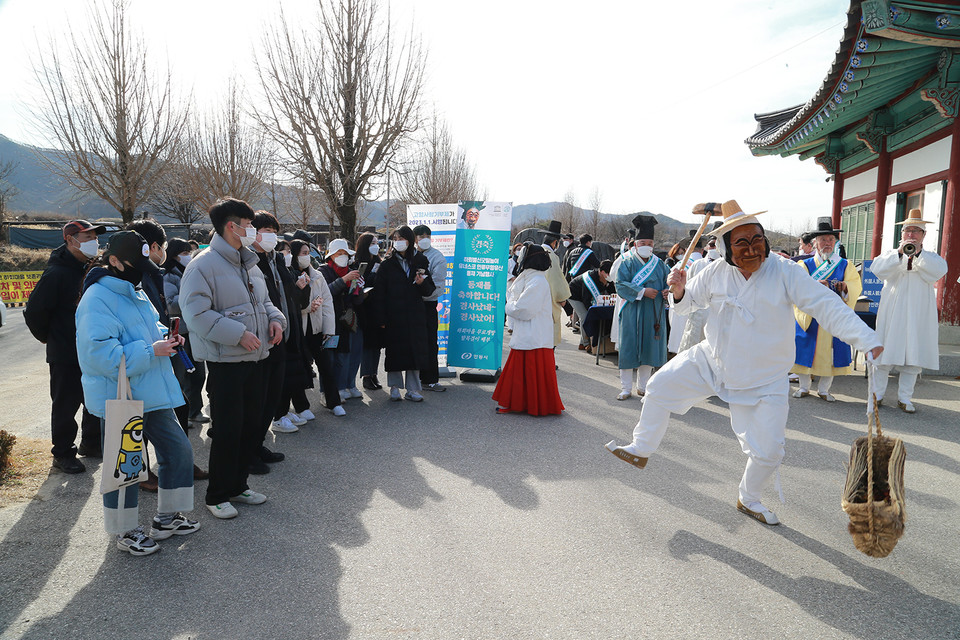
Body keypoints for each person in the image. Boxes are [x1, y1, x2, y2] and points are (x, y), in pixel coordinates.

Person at [606, 200, 883, 526]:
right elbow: (684, 306)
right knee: (658, 387)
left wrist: (867, 340)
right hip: (715, 359)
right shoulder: (714, 272)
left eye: (756, 241)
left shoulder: (785, 271)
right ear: (725, 248)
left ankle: (748, 497)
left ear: (765, 241)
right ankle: (641, 447)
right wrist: (678, 291)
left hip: (766, 376)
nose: (751, 250)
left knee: (769, 452)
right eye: (741, 244)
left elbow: (826, 305)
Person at [76, 230, 199, 556]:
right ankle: (126, 531)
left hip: (150, 391)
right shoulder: (97, 298)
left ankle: (167, 517)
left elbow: (146, 328)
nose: (143, 270)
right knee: (125, 466)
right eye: (137, 263)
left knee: (180, 452)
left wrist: (166, 337)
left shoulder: (134, 288)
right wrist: (151, 350)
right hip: (121, 397)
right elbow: (98, 356)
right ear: (114, 261)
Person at [179, 198, 285, 520]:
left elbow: (265, 303)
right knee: (227, 430)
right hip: (226, 363)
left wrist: (276, 320)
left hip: (257, 358)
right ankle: (218, 494)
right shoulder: (203, 265)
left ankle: (239, 485)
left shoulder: (248, 263)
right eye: (249, 225)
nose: (252, 230)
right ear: (232, 226)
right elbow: (195, 314)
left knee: (251, 427)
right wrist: (237, 334)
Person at [24, 219, 106, 473]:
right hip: (65, 351)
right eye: (87, 237)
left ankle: (91, 443)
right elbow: (35, 311)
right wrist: (48, 338)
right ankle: (62, 453)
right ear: (70, 240)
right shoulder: (57, 273)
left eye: (95, 237)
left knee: (93, 399)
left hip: (90, 349)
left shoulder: (90, 268)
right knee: (65, 404)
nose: (94, 242)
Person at [871, 208, 948, 413]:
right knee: (883, 352)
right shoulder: (889, 254)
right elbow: (877, 269)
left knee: (913, 355)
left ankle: (905, 398)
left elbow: (940, 271)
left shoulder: (931, 257)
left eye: (916, 231)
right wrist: (899, 253)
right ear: (901, 234)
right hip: (892, 312)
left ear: (923, 235)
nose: (911, 235)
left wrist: (918, 254)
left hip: (917, 313)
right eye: (908, 231)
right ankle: (877, 395)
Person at [790, 217, 862, 402]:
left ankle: (824, 390)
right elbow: (797, 288)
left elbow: (855, 286)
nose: (827, 243)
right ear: (815, 243)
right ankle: (804, 387)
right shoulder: (804, 265)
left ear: (836, 242)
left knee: (831, 354)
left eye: (830, 239)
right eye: (823, 240)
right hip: (811, 316)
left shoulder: (845, 265)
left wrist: (844, 286)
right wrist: (815, 285)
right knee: (805, 351)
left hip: (834, 316)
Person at [250, 211, 301, 470]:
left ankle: (258, 445)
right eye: (265, 230)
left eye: (273, 230)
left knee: (271, 397)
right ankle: (249, 453)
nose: (271, 235)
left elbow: (287, 292)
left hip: (281, 333)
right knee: (256, 400)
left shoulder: (275, 259)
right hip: (260, 338)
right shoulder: (248, 261)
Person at [493, 244, 564, 415]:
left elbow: (524, 310)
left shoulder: (537, 281)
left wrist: (508, 306)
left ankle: (524, 404)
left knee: (523, 371)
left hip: (533, 333)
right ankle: (529, 403)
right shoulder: (533, 278)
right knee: (529, 372)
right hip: (532, 332)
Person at [372, 226, 435, 401]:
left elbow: (429, 290)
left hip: (415, 315)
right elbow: (379, 293)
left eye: (401, 239)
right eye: (396, 239)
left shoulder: (421, 260)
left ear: (409, 240)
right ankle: (394, 386)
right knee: (395, 352)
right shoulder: (387, 264)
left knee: (415, 352)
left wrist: (422, 283)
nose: (398, 242)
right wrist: (381, 318)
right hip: (394, 315)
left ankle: (413, 389)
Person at [287, 238, 346, 417]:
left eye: (308, 253)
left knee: (326, 366)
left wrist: (329, 330)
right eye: (303, 253)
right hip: (299, 330)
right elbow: (289, 304)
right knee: (300, 367)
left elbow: (327, 303)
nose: (307, 257)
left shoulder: (317, 276)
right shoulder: (288, 276)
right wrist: (306, 308)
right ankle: (302, 406)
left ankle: (333, 401)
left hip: (318, 329)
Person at [615, 215, 669, 401]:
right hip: (632, 311)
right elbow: (620, 285)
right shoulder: (627, 262)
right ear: (636, 243)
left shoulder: (660, 264)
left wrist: (667, 292)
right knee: (628, 348)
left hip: (653, 313)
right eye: (643, 242)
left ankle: (643, 387)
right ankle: (625, 388)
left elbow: (667, 284)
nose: (647, 245)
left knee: (649, 349)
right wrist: (642, 291)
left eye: (650, 242)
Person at [162, 239, 209, 430]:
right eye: (185, 252)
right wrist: (193, 297)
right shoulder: (168, 276)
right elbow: (171, 303)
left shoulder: (191, 272)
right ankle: (181, 414)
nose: (189, 255)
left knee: (198, 374)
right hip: (179, 333)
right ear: (174, 254)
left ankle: (195, 410)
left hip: (194, 330)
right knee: (180, 375)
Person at [318, 238, 365, 401]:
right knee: (328, 357)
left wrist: (359, 289)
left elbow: (356, 300)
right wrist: (344, 280)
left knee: (344, 356)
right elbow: (326, 293)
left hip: (346, 321)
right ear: (331, 256)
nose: (343, 256)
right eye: (339, 253)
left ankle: (342, 386)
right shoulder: (323, 271)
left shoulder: (351, 270)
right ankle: (326, 392)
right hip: (329, 321)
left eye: (345, 253)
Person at [414, 224, 448, 392]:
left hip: (427, 305)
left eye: (427, 236)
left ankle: (430, 379)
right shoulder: (410, 255)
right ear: (415, 239)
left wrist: (422, 290)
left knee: (429, 342)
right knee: (412, 342)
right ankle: (414, 380)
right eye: (420, 237)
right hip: (410, 305)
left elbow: (438, 286)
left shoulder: (437, 257)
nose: (423, 239)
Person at [676, 227, 722, 354]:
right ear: (706, 247)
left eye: (718, 245)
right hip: (697, 318)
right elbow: (687, 292)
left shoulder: (728, 267)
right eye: (712, 245)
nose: (714, 248)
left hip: (717, 320)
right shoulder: (698, 264)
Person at [357, 234, 385, 390]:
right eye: (372, 243)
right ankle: (366, 376)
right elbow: (358, 284)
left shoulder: (379, 262)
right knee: (367, 344)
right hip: (365, 308)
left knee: (377, 344)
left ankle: (374, 374)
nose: (376, 246)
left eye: (377, 243)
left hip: (378, 308)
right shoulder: (358, 263)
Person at [568, 260, 616, 352]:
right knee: (585, 316)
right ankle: (586, 343)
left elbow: (612, 291)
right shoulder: (589, 279)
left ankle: (582, 343)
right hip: (574, 295)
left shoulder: (606, 277)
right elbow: (586, 300)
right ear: (602, 272)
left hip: (585, 297)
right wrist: (592, 313)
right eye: (609, 274)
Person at [540, 221, 572, 348]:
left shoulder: (537, 251)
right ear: (555, 242)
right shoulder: (551, 256)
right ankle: (547, 365)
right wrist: (565, 302)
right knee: (549, 336)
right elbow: (556, 282)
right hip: (548, 300)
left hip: (536, 298)